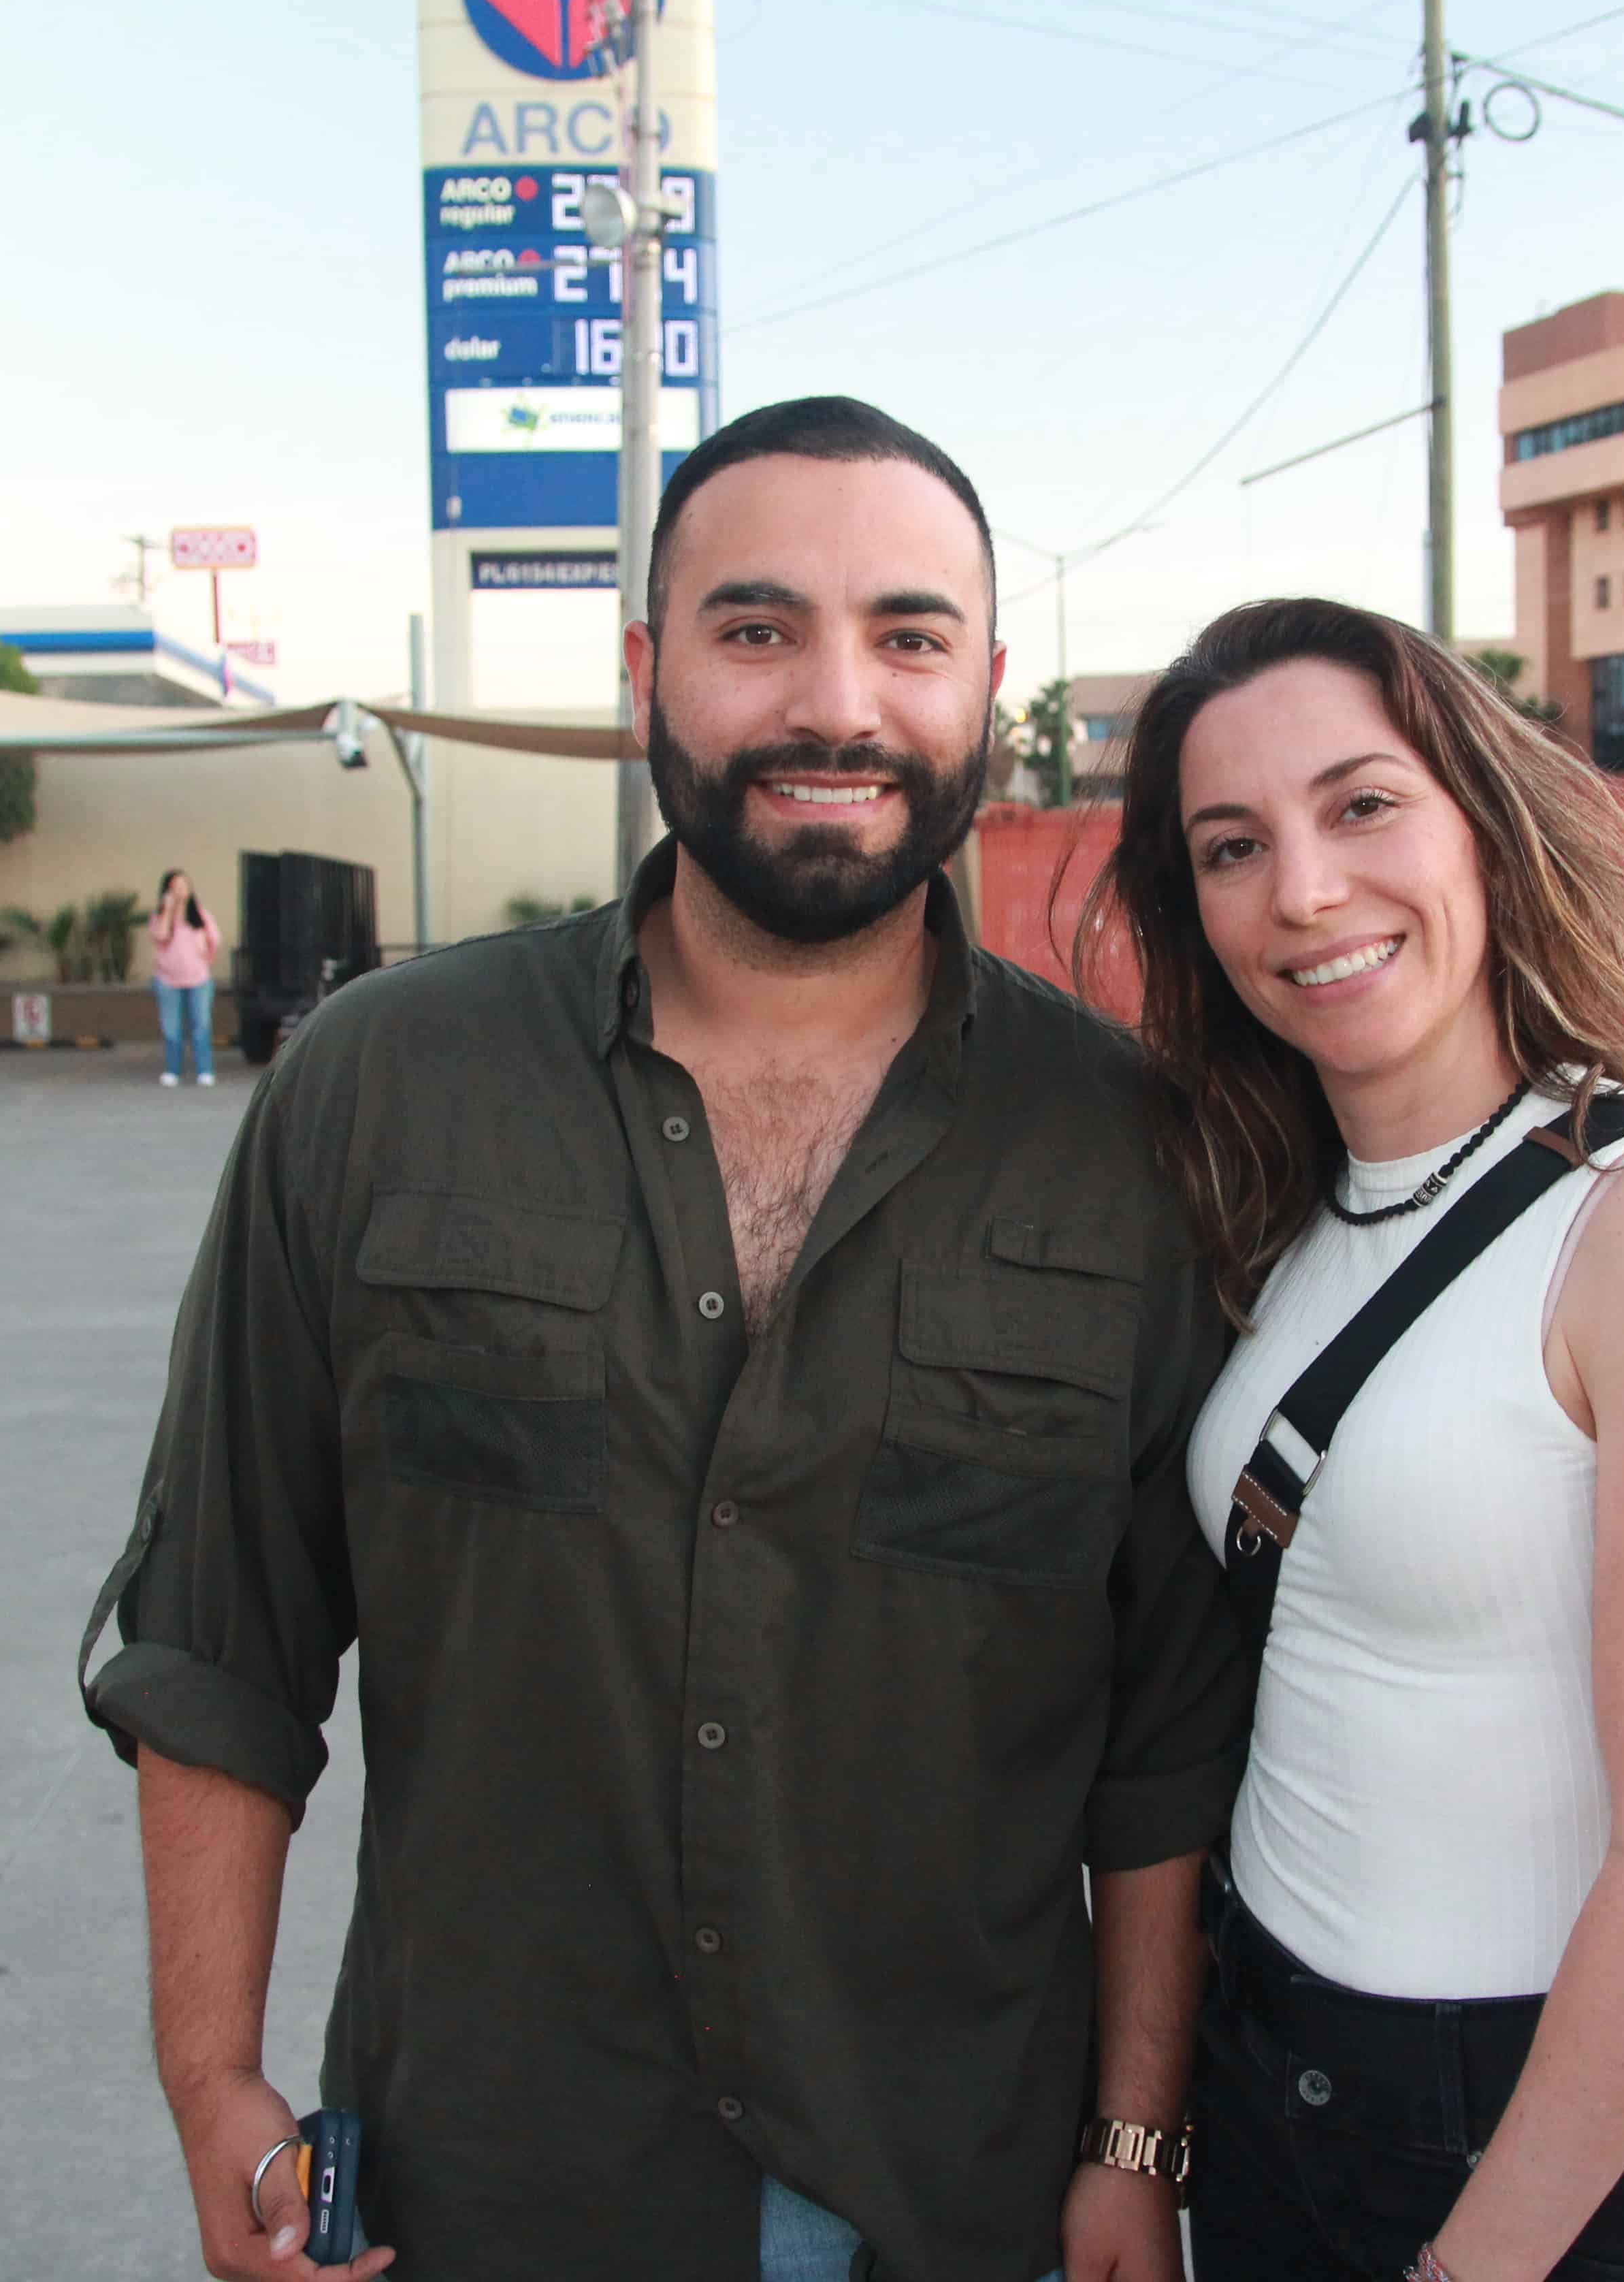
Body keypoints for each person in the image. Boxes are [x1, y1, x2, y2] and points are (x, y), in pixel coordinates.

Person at [78, 397, 1254, 2282]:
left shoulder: (1130, 1152)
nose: (836, 705)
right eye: (758, 628)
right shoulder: (384, 1090)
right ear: (648, 670)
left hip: (957, 2191)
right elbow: (224, 1631)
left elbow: (1167, 1743)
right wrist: (207, 2073)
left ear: (989, 690)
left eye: (909, 637)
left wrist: (1132, 2137)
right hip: (493, 2185)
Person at [1096, 598, 1624, 2282]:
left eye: (1361, 804)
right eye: (1232, 845)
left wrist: (1469, 2262)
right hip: (1276, 2083)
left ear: (1483, 828)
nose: (1301, 889)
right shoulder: (1278, 1214)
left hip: (1560, 2146)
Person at [150, 869, 221, 1089]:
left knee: (200, 1026)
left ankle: (205, 1070)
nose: (181, 890)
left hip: (198, 980)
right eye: (176, 886)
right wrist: (169, 911)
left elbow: (215, 940)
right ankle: (172, 1070)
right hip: (168, 981)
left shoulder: (201, 915)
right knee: (172, 1028)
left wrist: (206, 960)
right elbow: (160, 937)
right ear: (167, 890)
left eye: (185, 885)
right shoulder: (160, 917)